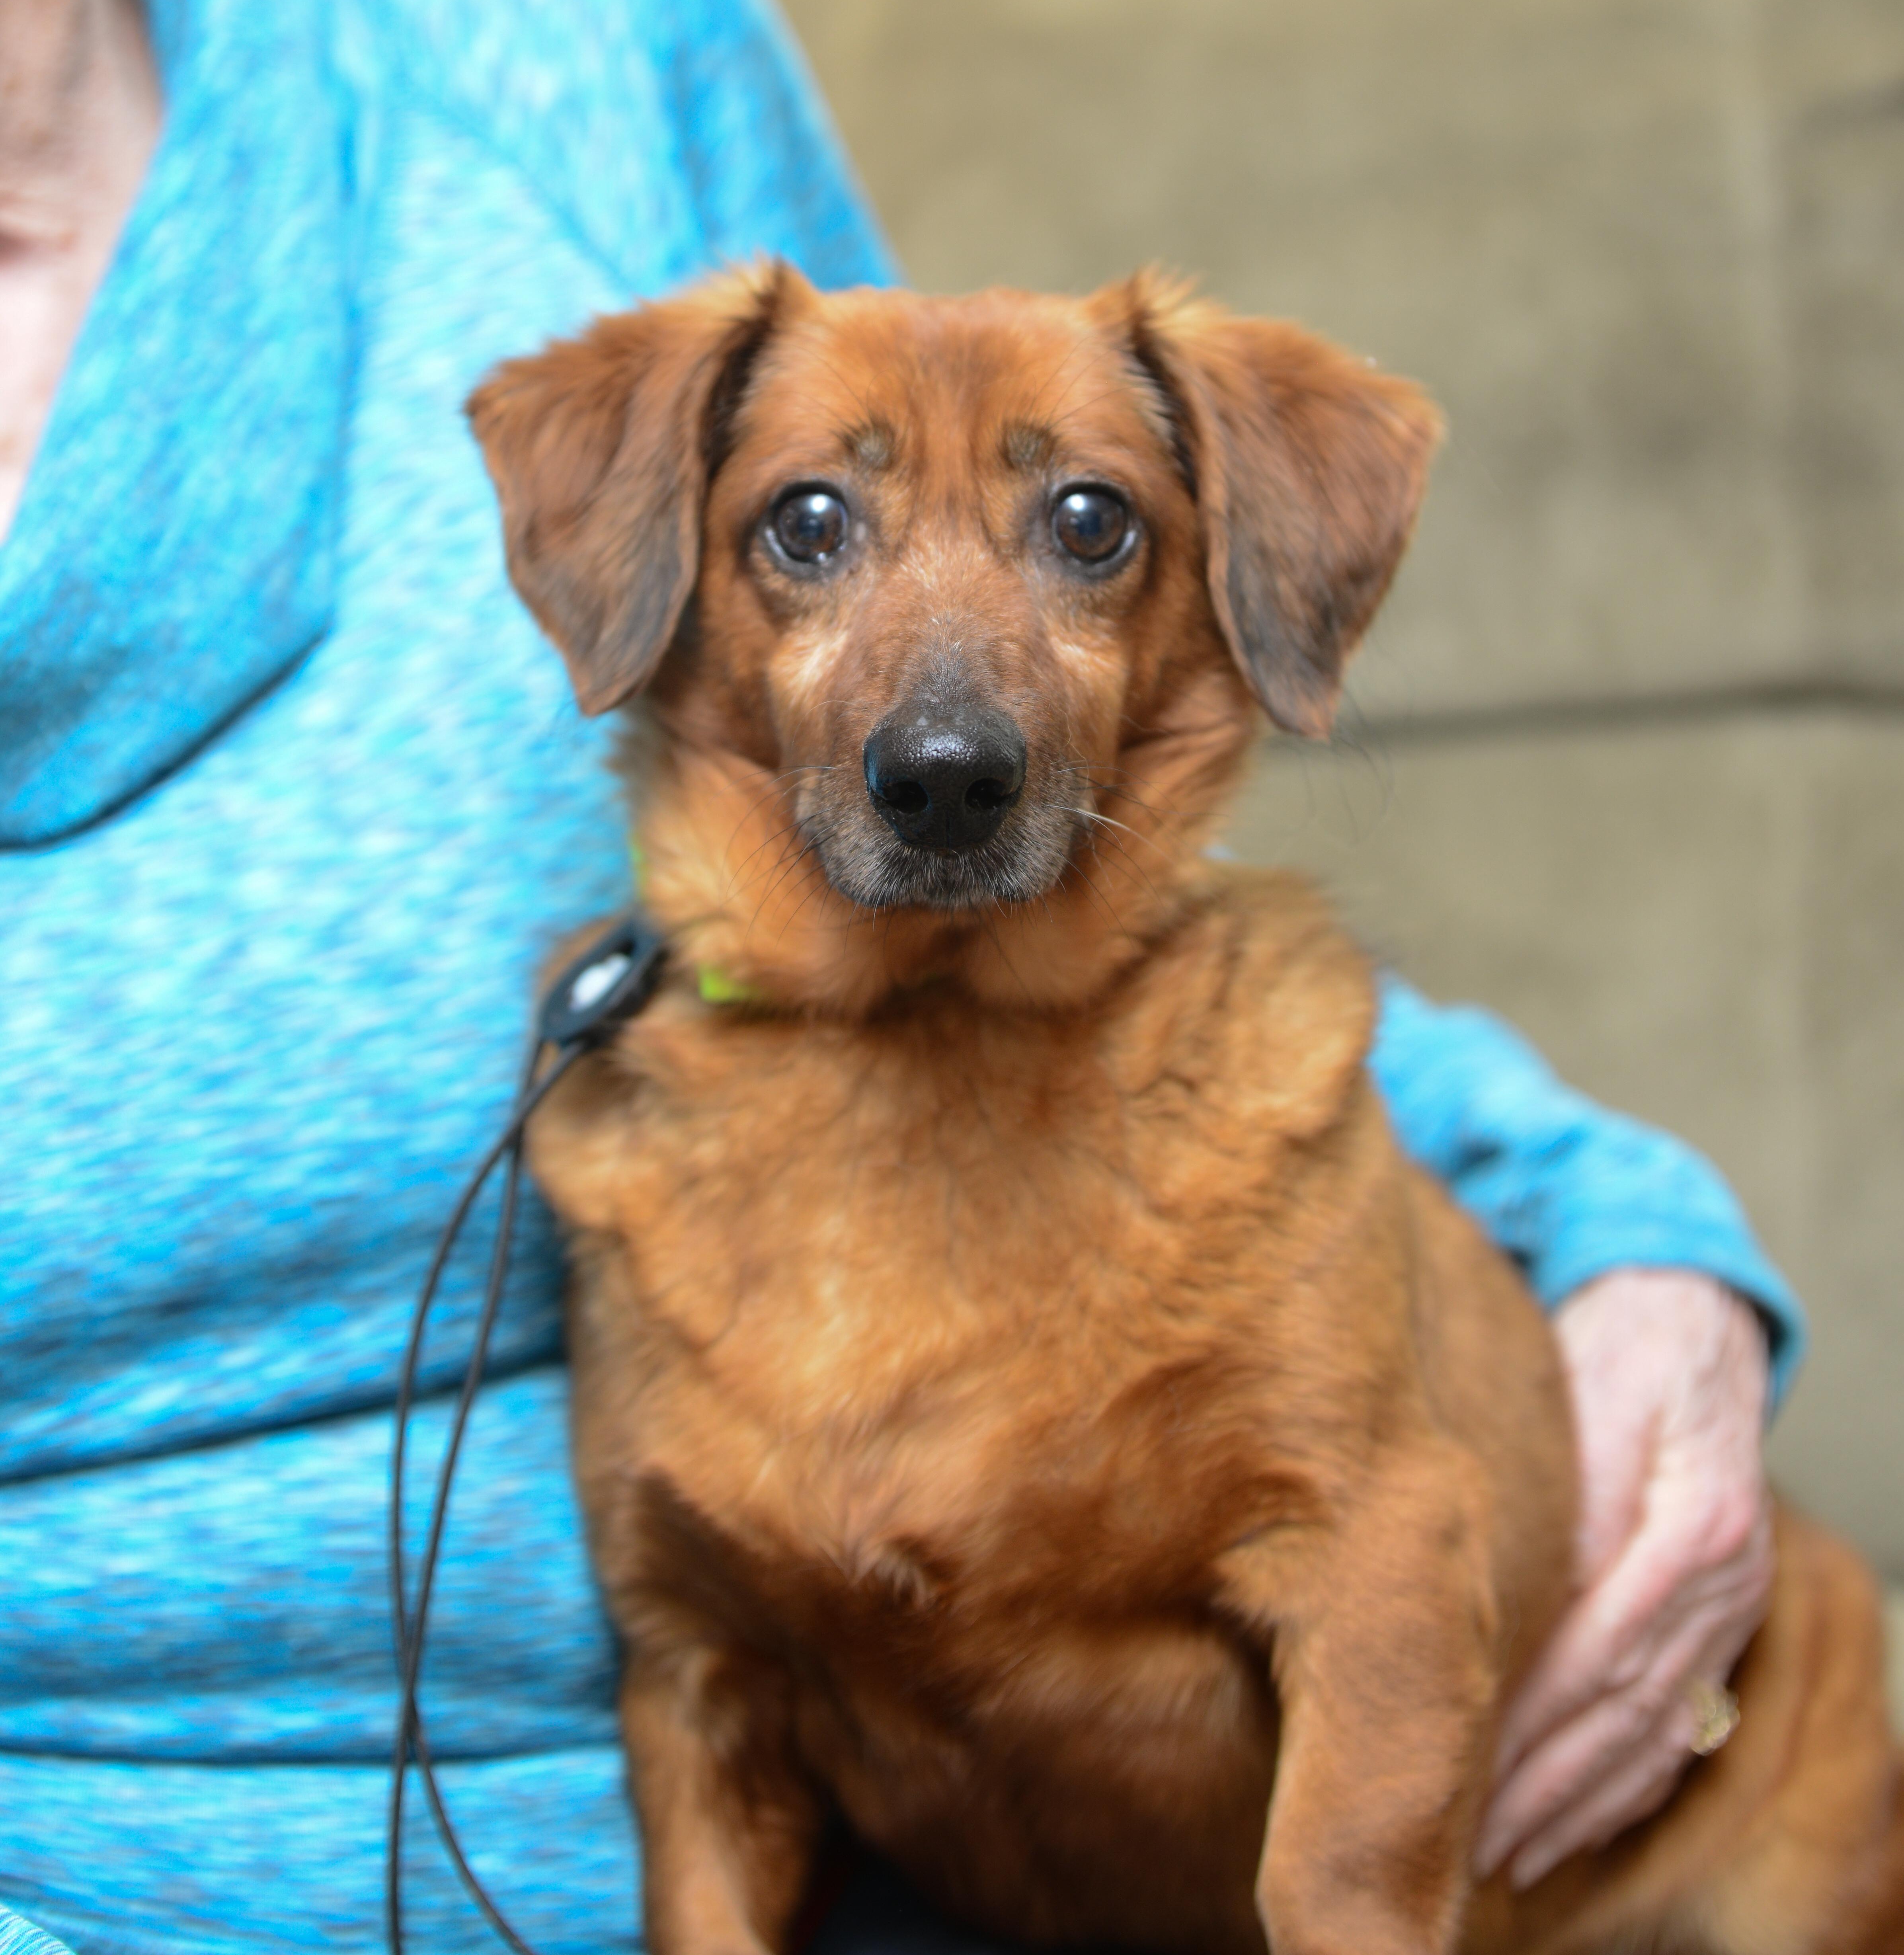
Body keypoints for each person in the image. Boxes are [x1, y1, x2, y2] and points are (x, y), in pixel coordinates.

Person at [0, 0, 1800, 1948]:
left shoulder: (579, 57)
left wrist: (1631, 1226)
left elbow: (1204, 996)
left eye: (1085, 531)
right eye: (810, 533)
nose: (946, 730)